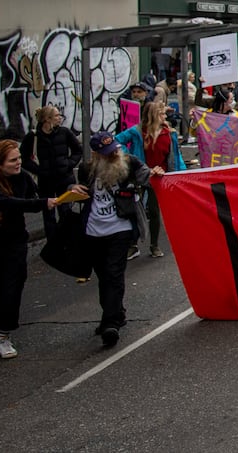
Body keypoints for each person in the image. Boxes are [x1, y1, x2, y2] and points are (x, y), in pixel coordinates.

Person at [0, 140, 67, 358]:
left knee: (11, 289)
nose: (19, 163)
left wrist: (66, 192)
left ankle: (4, 335)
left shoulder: (23, 178)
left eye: (19, 158)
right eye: (13, 160)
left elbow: (33, 195)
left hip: (12, 243)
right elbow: (7, 202)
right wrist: (43, 203)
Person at [79, 131, 157, 346]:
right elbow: (81, 191)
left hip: (120, 228)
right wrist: (71, 189)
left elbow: (145, 175)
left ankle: (110, 323)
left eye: (115, 149)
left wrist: (154, 173)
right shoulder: (87, 169)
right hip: (94, 231)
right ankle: (115, 313)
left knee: (114, 274)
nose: (114, 154)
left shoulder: (129, 162)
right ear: (96, 154)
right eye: (107, 153)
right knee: (103, 277)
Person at [115, 100, 186, 259]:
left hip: (159, 177)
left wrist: (181, 174)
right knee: (133, 211)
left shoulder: (170, 133)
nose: (164, 116)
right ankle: (133, 245)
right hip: (140, 175)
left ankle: (154, 245)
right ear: (153, 115)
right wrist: (129, 157)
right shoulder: (138, 131)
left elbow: (176, 156)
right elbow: (117, 141)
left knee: (154, 211)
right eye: (161, 113)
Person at [19, 104, 82, 242]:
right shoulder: (33, 136)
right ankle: (53, 243)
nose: (60, 118)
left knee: (66, 211)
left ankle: (67, 241)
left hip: (65, 179)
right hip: (45, 181)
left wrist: (69, 164)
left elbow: (78, 150)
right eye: (57, 116)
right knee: (48, 214)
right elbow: (23, 158)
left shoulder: (65, 132)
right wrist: (39, 171)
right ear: (47, 119)